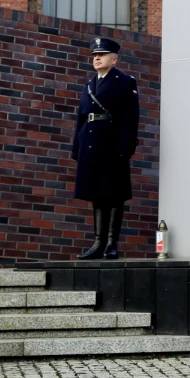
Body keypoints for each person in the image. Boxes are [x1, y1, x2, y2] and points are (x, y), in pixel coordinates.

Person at [72, 36, 140, 259]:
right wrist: (76, 147)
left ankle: (111, 244)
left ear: (115, 59)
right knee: (97, 195)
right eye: (94, 55)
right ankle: (98, 243)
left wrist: (125, 148)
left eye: (101, 55)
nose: (97, 58)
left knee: (114, 195)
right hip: (91, 144)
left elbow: (130, 118)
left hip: (112, 145)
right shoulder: (90, 84)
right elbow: (81, 117)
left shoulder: (125, 82)